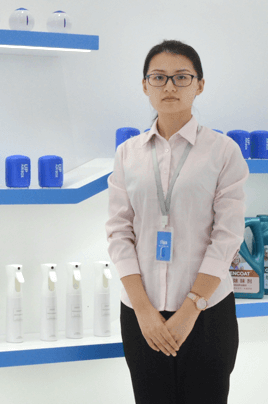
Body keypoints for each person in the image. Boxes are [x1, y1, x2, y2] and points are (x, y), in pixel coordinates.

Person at [106, 40, 247, 404]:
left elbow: (227, 236)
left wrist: (190, 309)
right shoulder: (127, 154)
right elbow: (119, 233)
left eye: (181, 77)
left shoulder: (223, 151)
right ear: (145, 85)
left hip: (207, 312)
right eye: (159, 77)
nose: (169, 86)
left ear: (199, 85)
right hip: (141, 315)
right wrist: (143, 311)